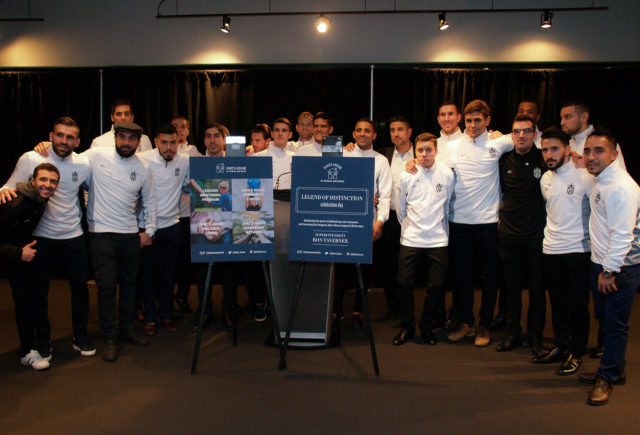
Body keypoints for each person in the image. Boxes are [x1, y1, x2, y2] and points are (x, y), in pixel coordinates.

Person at [413, 100, 512, 346]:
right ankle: (466, 322)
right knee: (462, 277)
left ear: (487, 121)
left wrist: (572, 153)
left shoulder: (498, 143)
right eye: (469, 121)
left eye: (478, 120)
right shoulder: (453, 147)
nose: (473, 125)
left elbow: (531, 137)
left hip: (488, 223)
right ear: (463, 121)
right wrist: (412, 163)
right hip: (458, 222)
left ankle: (484, 326)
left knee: (489, 278)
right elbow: (431, 167)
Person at [1, 117, 94, 359]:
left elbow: (96, 187)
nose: (64, 141)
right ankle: (43, 340)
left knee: (80, 290)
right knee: (39, 293)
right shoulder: (32, 158)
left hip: (73, 235)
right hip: (41, 237)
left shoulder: (83, 163)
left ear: (78, 141)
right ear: (51, 136)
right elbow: (7, 188)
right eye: (60, 135)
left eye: (70, 137)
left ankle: (80, 336)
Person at [579, 127, 640, 406]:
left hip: (619, 269)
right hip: (601, 263)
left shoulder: (621, 187)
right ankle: (615, 368)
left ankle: (607, 376)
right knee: (605, 320)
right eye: (588, 151)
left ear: (615, 155)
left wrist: (609, 271)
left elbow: (623, 235)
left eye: (599, 151)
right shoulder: (601, 180)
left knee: (615, 325)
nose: (591, 157)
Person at [86, 121, 156, 361]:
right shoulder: (95, 155)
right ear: (115, 138)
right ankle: (109, 337)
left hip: (129, 234)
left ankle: (126, 329)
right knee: (106, 286)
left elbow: (149, 201)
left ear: (138, 142)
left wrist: (150, 230)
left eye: (131, 139)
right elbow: (68, 162)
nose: (126, 143)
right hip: (101, 233)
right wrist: (45, 148)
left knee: (129, 284)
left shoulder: (144, 166)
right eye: (122, 137)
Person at [536, 126, 594, 375]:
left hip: (578, 252)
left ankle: (577, 352)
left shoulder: (585, 176)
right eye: (545, 149)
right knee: (557, 303)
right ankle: (562, 346)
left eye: (554, 149)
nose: (549, 154)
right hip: (551, 250)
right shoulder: (545, 178)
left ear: (568, 149)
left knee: (577, 305)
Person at [393, 133, 453, 346]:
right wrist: (409, 227)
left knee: (436, 286)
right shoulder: (406, 175)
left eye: (429, 150)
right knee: (404, 283)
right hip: (411, 238)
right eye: (420, 150)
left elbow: (446, 205)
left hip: (437, 240)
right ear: (415, 152)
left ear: (436, 151)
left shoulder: (446, 174)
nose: (424, 154)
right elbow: (401, 208)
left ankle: (426, 327)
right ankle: (407, 327)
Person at [494, 115, 547, 356]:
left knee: (537, 290)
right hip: (509, 236)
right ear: (511, 135)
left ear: (535, 133)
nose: (521, 135)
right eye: (516, 131)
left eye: (526, 131)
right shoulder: (503, 159)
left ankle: (536, 336)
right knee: (511, 288)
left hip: (537, 235)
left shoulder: (544, 158)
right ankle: (512, 332)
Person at [0, 163, 60, 370]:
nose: (48, 185)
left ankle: (41, 343)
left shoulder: (38, 200)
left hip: (21, 254)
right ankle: (26, 351)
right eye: (43, 179)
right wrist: (18, 253)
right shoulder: (14, 202)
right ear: (32, 181)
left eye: (53, 181)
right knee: (24, 302)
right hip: (11, 255)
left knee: (36, 298)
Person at [333, 118, 391, 326]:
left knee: (364, 270)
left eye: (367, 130)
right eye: (359, 130)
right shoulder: (343, 154)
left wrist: (380, 221)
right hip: (341, 221)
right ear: (354, 134)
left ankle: (358, 311)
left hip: (368, 222)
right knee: (340, 269)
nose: (363, 134)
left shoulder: (381, 161)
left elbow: (385, 196)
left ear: (374, 135)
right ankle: (335, 311)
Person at [138, 124, 190, 336]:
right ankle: (150, 317)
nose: (169, 147)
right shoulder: (143, 159)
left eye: (173, 142)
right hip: (145, 226)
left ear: (179, 141)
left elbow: (194, 182)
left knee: (168, 275)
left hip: (171, 226)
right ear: (156, 141)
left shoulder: (185, 160)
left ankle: (167, 315)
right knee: (147, 275)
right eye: (164, 142)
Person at [376, 116, 414, 320]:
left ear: (409, 132)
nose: (396, 133)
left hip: (415, 219)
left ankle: (410, 308)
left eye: (400, 129)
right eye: (392, 130)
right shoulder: (384, 154)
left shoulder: (422, 152)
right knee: (389, 265)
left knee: (410, 266)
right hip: (390, 218)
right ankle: (393, 307)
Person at [171, 115, 202, 314]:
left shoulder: (194, 152)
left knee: (185, 261)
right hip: (167, 214)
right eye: (175, 127)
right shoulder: (165, 151)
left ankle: (182, 295)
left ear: (188, 131)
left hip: (188, 214)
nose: (180, 130)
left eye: (183, 127)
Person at [560, 100, 625, 169]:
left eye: (567, 117)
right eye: (561, 118)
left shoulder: (605, 142)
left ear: (584, 117)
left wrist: (585, 167)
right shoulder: (568, 144)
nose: (562, 122)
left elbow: (617, 175)